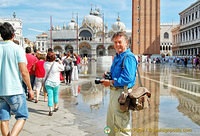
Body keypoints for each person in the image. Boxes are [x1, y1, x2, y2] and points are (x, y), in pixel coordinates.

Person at [0, 22, 34, 136]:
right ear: (13, 35)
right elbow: (24, 72)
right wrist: (30, 88)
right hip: (15, 90)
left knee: (4, 120)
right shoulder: (18, 49)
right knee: (22, 116)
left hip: (0, 91)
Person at [101, 32, 138, 136]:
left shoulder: (129, 57)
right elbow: (118, 74)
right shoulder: (117, 56)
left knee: (121, 125)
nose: (117, 45)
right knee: (111, 122)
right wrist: (108, 75)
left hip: (122, 94)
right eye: (115, 42)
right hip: (114, 93)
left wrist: (111, 82)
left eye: (119, 42)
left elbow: (127, 77)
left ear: (126, 42)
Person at [44, 52, 64, 116]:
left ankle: (50, 110)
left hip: (48, 82)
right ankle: (55, 107)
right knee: (55, 95)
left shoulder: (45, 64)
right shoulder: (56, 64)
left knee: (50, 96)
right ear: (54, 57)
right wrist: (60, 63)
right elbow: (62, 69)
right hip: (56, 82)